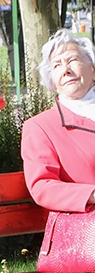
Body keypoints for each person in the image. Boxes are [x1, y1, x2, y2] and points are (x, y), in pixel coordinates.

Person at [22, 30, 95, 212]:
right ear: (52, 82)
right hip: (85, 227)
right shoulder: (40, 127)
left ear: (92, 69)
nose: (66, 70)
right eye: (56, 66)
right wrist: (91, 195)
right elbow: (42, 186)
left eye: (72, 60)